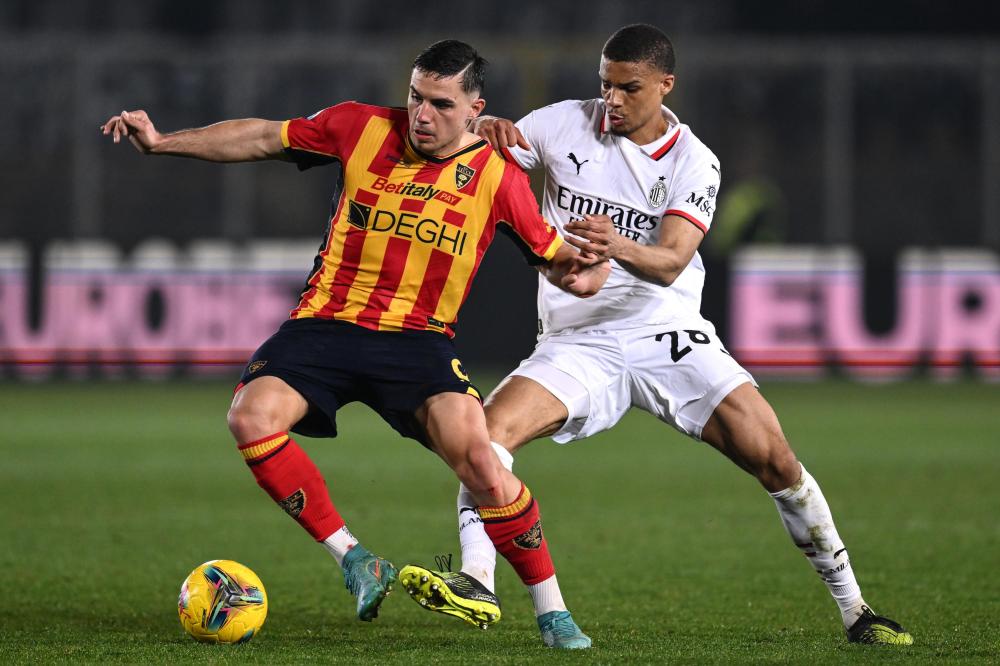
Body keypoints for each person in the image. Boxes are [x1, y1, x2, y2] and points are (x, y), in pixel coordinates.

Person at [400, 24, 913, 649]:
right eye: (605, 85)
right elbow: (474, 157)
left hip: (666, 329)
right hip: (579, 339)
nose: (612, 100)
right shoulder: (562, 123)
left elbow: (671, 261)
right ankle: (477, 580)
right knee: (483, 437)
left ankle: (856, 610)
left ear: (666, 84)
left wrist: (615, 243)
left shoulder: (695, 160)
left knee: (776, 460)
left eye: (629, 88)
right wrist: (485, 129)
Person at [101, 40, 608, 626]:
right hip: (325, 325)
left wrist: (587, 272)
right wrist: (164, 142)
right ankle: (355, 558)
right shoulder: (358, 126)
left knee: (481, 460)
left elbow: (558, 261)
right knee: (250, 417)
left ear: (476, 109)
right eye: (416, 97)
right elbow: (262, 136)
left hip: (417, 341)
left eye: (441, 104)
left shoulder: (498, 176)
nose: (421, 114)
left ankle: (553, 612)